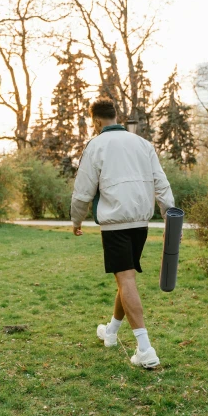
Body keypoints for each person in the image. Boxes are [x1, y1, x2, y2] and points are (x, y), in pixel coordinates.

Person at [70, 97, 174, 369]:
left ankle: (145, 349)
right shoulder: (143, 144)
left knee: (126, 279)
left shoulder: (95, 145)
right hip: (141, 222)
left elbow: (83, 190)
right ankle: (112, 333)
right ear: (116, 115)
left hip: (115, 223)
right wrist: (169, 216)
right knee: (124, 276)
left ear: (95, 121)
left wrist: (76, 221)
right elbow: (161, 184)